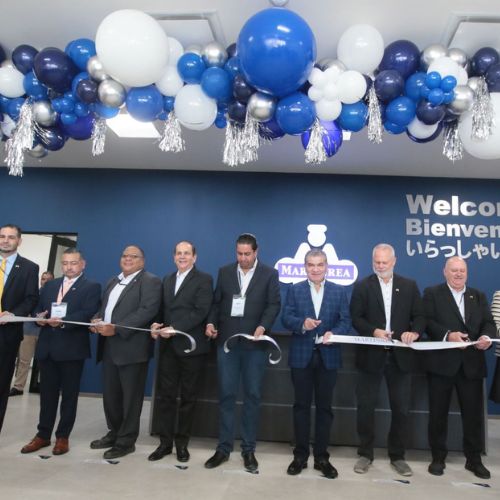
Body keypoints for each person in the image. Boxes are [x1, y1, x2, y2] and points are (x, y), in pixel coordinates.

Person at [204, 233, 280, 472]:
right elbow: (216, 303)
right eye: (239, 253)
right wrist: (210, 323)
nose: (243, 258)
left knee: (252, 397)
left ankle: (248, 450)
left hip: (254, 345)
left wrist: (263, 326)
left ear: (256, 252)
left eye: (247, 254)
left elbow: (273, 304)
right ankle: (223, 448)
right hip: (227, 344)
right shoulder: (225, 272)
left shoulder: (269, 274)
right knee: (226, 395)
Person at [350, 243, 425, 476]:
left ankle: (397, 455)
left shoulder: (409, 286)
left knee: (401, 409)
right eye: (377, 262)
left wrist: (415, 332)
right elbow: (356, 317)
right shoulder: (363, 286)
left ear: (394, 261)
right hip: (371, 356)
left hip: (400, 357)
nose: (380, 266)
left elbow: (420, 316)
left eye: (384, 262)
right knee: (365, 408)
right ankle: (365, 453)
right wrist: (374, 331)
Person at [20, 249, 101, 455]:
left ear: (83, 264)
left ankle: (62, 437)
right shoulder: (50, 286)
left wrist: (62, 322)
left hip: (72, 350)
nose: (68, 267)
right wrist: (38, 317)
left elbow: (88, 312)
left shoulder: (91, 287)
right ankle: (43, 435)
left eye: (73, 263)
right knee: (46, 396)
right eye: (65, 263)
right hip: (47, 348)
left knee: (69, 397)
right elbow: (38, 308)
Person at [424, 256, 496, 479]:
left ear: (467, 273)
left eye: (462, 270)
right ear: (444, 271)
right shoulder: (432, 293)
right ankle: (438, 458)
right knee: (438, 414)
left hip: (471, 366)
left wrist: (486, 337)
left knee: (473, 416)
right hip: (442, 364)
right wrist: (448, 335)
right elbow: (426, 322)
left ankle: (473, 460)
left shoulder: (478, 295)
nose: (458, 274)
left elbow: (489, 323)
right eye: (453, 270)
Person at [282, 249, 351, 479]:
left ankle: (322, 458)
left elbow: (346, 320)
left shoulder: (339, 292)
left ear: (327, 266)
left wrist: (334, 332)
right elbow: (286, 317)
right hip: (301, 357)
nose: (315, 269)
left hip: (328, 357)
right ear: (305, 267)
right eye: (311, 265)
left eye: (320, 265)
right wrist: (302, 324)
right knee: (301, 408)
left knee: (324, 410)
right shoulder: (295, 289)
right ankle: (300, 456)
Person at [90, 245, 162, 459]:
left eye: (134, 256)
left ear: (143, 260)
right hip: (109, 346)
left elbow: (147, 311)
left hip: (132, 348)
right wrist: (96, 319)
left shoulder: (150, 281)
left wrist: (117, 328)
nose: (128, 259)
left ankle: (126, 441)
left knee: (131, 398)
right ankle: (114, 432)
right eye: (124, 256)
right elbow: (106, 309)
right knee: (111, 395)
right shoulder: (113, 280)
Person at [148, 241, 213, 462]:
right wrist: (156, 324)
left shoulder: (204, 279)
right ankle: (164, 444)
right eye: (178, 253)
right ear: (173, 256)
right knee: (166, 397)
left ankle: (181, 444)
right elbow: (162, 309)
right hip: (167, 348)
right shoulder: (167, 279)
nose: (182, 257)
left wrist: (175, 329)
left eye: (187, 253)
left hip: (191, 347)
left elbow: (201, 311)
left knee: (188, 398)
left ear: (195, 257)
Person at [0, 224, 39, 435]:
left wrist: (13, 314)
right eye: (2, 236)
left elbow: (32, 298)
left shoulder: (29, 268)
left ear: (19, 241)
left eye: (11, 237)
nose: (5, 240)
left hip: (6, 334)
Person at [10, 271, 54, 396]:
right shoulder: (33, 293)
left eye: (48, 279)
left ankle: (42, 385)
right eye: (43, 279)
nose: (45, 281)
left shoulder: (55, 294)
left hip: (46, 332)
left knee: (45, 361)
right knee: (24, 360)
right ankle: (18, 387)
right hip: (29, 331)